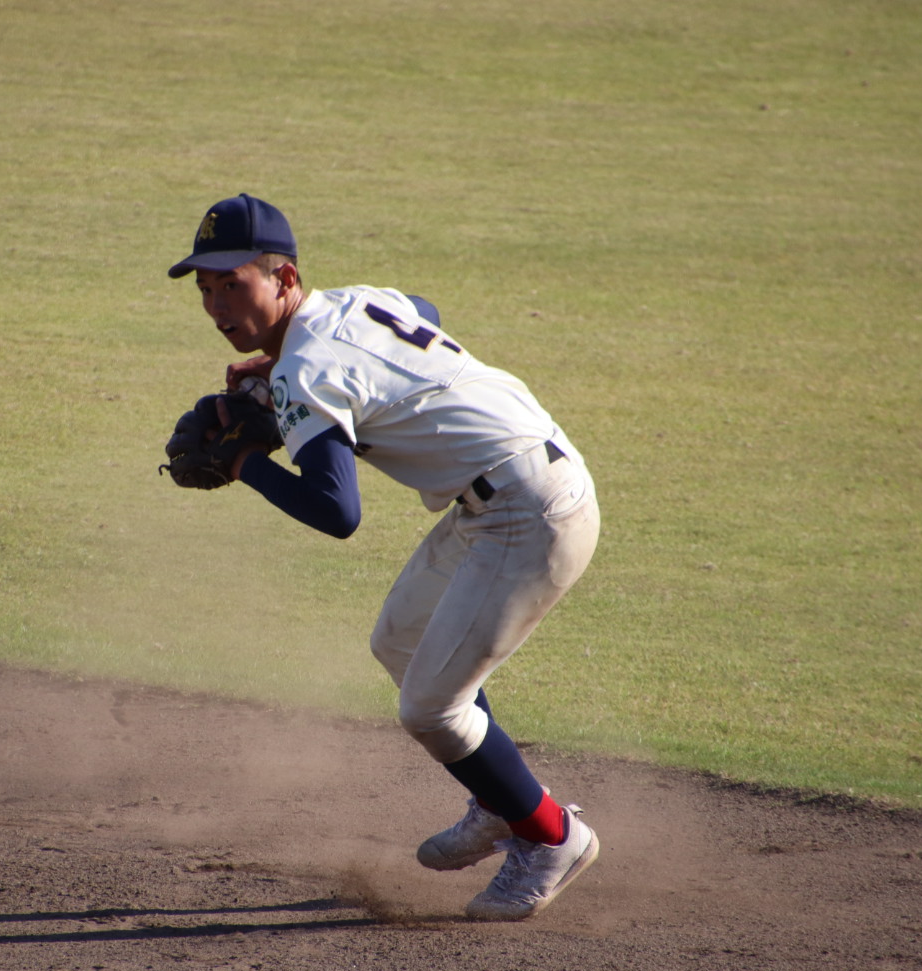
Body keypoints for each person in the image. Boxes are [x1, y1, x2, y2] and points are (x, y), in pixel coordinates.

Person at [167, 193, 602, 921]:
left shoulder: (304, 368)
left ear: (283, 277)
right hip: (503, 493)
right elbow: (422, 310)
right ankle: (499, 803)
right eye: (205, 287)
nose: (216, 304)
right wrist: (281, 379)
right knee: (399, 640)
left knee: (429, 708)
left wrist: (246, 461)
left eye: (232, 283)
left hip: (532, 514)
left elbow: (338, 514)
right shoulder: (351, 303)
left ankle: (552, 836)